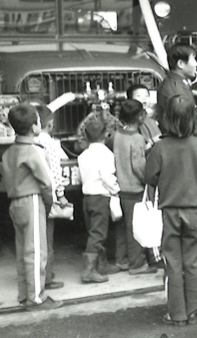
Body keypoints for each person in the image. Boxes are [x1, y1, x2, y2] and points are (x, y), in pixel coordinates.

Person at [145, 95, 197, 326]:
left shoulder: (159, 147)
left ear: (166, 119)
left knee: (172, 262)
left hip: (168, 212)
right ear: (192, 119)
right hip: (194, 210)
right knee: (193, 260)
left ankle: (177, 313)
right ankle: (194, 309)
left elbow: (150, 177)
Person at [2, 103, 63, 311]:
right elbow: (47, 182)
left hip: (15, 203)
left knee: (23, 252)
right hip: (32, 201)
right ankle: (37, 298)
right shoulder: (34, 151)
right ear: (35, 126)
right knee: (37, 252)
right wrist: (49, 202)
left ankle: (24, 294)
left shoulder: (9, 152)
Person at [113, 99, 157, 275]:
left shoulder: (117, 135)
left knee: (123, 227)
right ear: (140, 117)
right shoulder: (137, 138)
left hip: (120, 187)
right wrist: (149, 179)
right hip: (135, 188)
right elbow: (138, 164)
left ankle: (122, 259)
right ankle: (137, 264)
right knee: (136, 227)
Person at [78, 120, 121, 283]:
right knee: (98, 234)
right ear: (105, 134)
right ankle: (88, 271)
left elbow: (80, 177)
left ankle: (102, 264)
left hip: (87, 197)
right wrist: (116, 190)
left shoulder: (83, 155)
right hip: (100, 197)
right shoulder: (106, 154)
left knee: (94, 231)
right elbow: (108, 177)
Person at [34, 104, 67, 291]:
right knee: (47, 239)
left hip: (32, 194)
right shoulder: (51, 144)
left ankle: (36, 275)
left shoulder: (29, 142)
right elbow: (55, 174)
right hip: (47, 196)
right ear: (51, 123)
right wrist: (60, 196)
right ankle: (46, 278)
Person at [126, 83, 161, 150]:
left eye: (147, 96)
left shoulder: (152, 119)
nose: (144, 98)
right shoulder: (131, 121)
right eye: (139, 96)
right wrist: (152, 141)